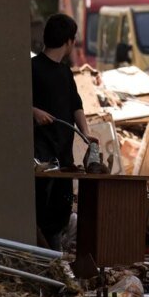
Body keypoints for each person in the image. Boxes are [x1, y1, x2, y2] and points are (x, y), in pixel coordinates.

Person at [32, 14, 96, 250]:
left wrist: (86, 134)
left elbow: (75, 105)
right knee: (40, 211)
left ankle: (55, 258)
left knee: (60, 210)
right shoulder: (32, 68)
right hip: (41, 156)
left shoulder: (65, 72)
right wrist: (34, 111)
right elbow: (16, 102)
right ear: (69, 42)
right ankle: (45, 258)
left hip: (64, 155)